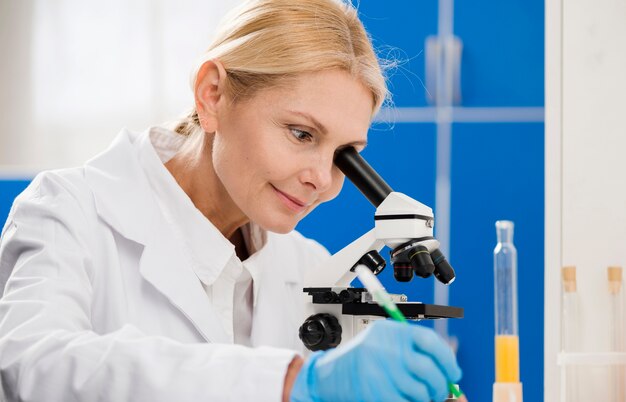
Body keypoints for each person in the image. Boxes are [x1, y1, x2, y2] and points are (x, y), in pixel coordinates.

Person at [0, 0, 463, 401]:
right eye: (301, 134)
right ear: (213, 95)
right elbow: (32, 367)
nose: (321, 179)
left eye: (346, 156)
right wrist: (289, 383)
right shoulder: (69, 212)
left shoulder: (307, 265)